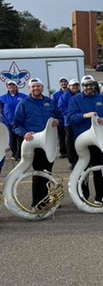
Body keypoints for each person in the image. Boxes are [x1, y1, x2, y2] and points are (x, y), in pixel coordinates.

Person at [12, 78, 63, 207]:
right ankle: (37, 203)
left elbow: (60, 116)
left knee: (47, 172)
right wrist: (25, 133)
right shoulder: (24, 103)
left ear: (42, 87)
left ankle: (46, 198)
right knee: (38, 173)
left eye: (38, 86)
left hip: (49, 142)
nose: (36, 89)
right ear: (30, 88)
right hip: (35, 143)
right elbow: (16, 124)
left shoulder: (50, 102)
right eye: (33, 87)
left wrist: (58, 121)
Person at [67, 75, 103, 204]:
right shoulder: (75, 100)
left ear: (95, 85)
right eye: (86, 85)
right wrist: (84, 115)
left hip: (99, 141)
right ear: (83, 87)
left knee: (100, 170)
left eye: (91, 85)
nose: (89, 87)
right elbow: (70, 118)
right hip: (83, 141)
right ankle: (83, 197)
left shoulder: (102, 99)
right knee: (83, 171)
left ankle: (101, 197)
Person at [0, 80, 27, 161]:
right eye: (10, 86)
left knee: (19, 138)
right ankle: (14, 153)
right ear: (7, 87)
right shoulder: (2, 98)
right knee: (11, 138)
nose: (12, 87)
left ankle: (19, 154)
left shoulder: (23, 97)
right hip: (7, 122)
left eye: (13, 85)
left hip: (19, 121)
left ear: (17, 86)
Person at [58, 78, 81, 170]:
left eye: (76, 85)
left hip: (80, 122)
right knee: (70, 143)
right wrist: (72, 115)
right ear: (69, 86)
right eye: (73, 85)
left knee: (81, 141)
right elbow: (61, 108)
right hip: (69, 123)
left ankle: (82, 159)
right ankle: (73, 161)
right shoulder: (64, 96)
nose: (74, 87)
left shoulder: (81, 95)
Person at [53, 77, 69, 158]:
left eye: (65, 82)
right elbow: (54, 106)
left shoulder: (71, 93)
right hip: (60, 118)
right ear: (60, 84)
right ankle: (63, 151)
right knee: (61, 136)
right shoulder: (56, 95)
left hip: (69, 117)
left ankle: (70, 151)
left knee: (69, 136)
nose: (63, 83)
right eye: (62, 82)